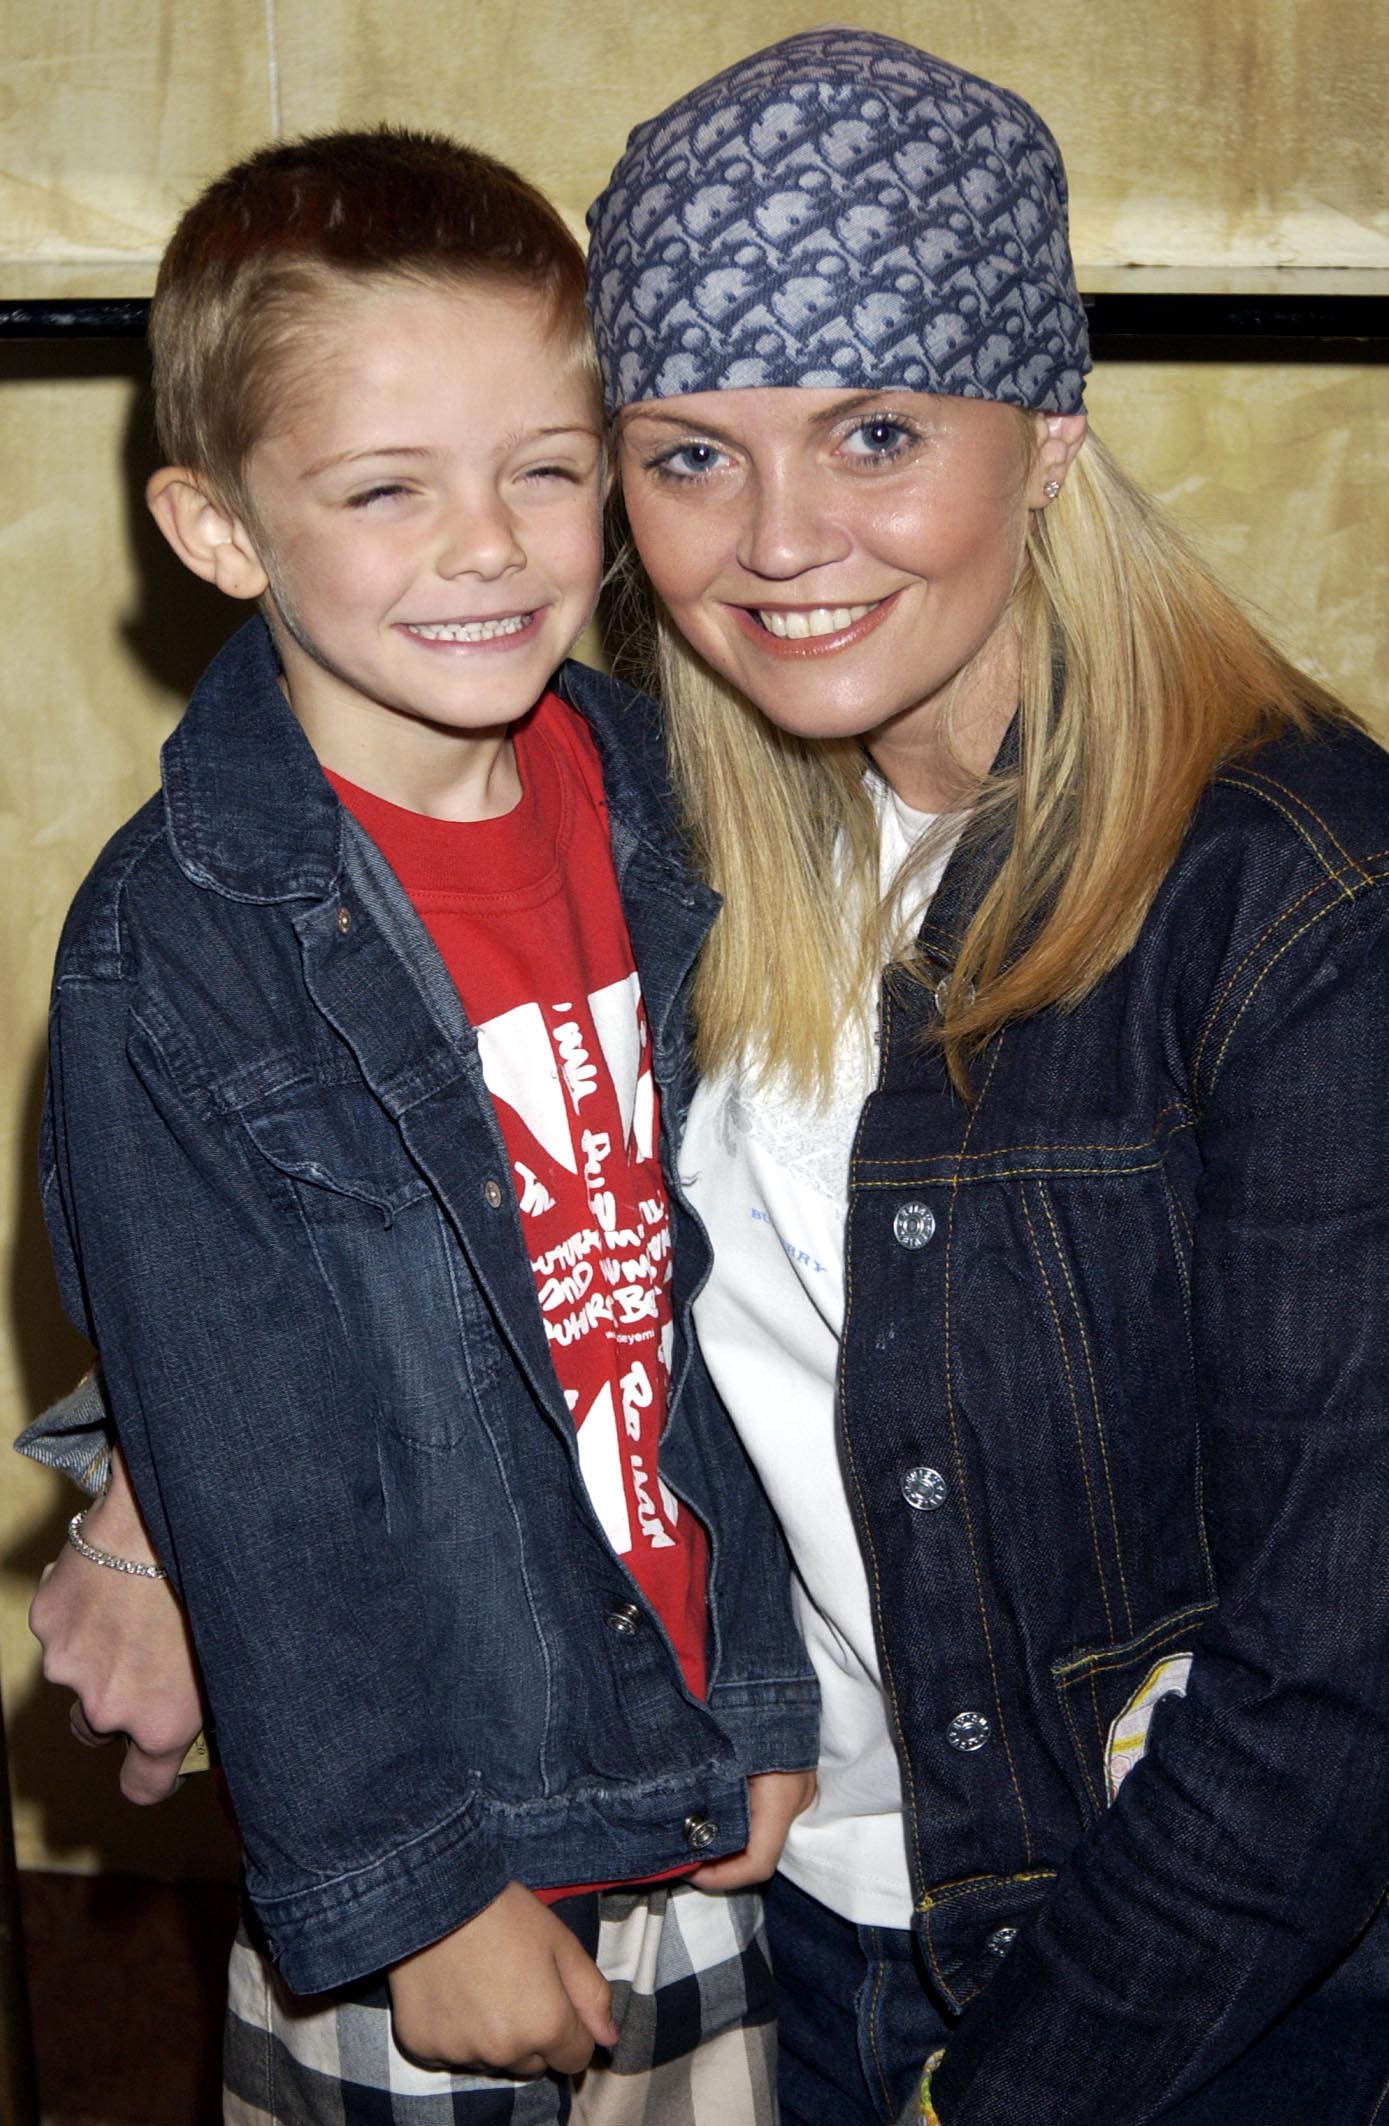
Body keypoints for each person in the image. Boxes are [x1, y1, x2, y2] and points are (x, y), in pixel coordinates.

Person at [582, 28, 1389, 2125]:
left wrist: (1005, 2092)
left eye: (869, 431)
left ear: (1040, 433)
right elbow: (333, 1004)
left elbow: (1340, 1672)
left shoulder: (1296, 901)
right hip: (801, 1930)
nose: (775, 541)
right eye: (687, 453)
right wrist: (141, 1488)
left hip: (1193, 2010)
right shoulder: (665, 828)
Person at [22, 125, 817, 2125]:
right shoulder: (177, 947)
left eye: (546, 470)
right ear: (219, 531)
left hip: (690, 1772)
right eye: (386, 492)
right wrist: (415, 1892)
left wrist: (767, 1694)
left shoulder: (651, 792)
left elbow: (702, 1290)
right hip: (442, 1838)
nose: (489, 546)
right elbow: (257, 1474)